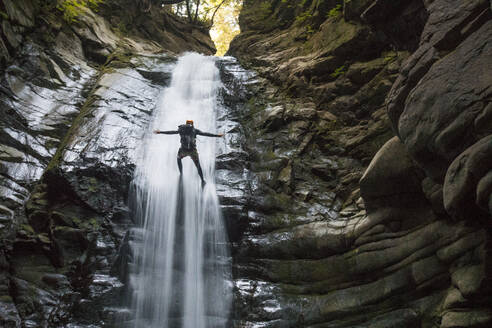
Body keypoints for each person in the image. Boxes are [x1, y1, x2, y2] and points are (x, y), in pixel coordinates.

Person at [153, 120, 224, 186]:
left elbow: (171, 132)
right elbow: (206, 134)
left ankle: (181, 174)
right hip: (192, 151)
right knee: (198, 165)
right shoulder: (194, 130)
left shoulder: (181, 130)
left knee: (178, 159)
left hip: (183, 150)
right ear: (192, 125)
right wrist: (218, 135)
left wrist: (160, 132)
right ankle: (202, 180)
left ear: (186, 124)